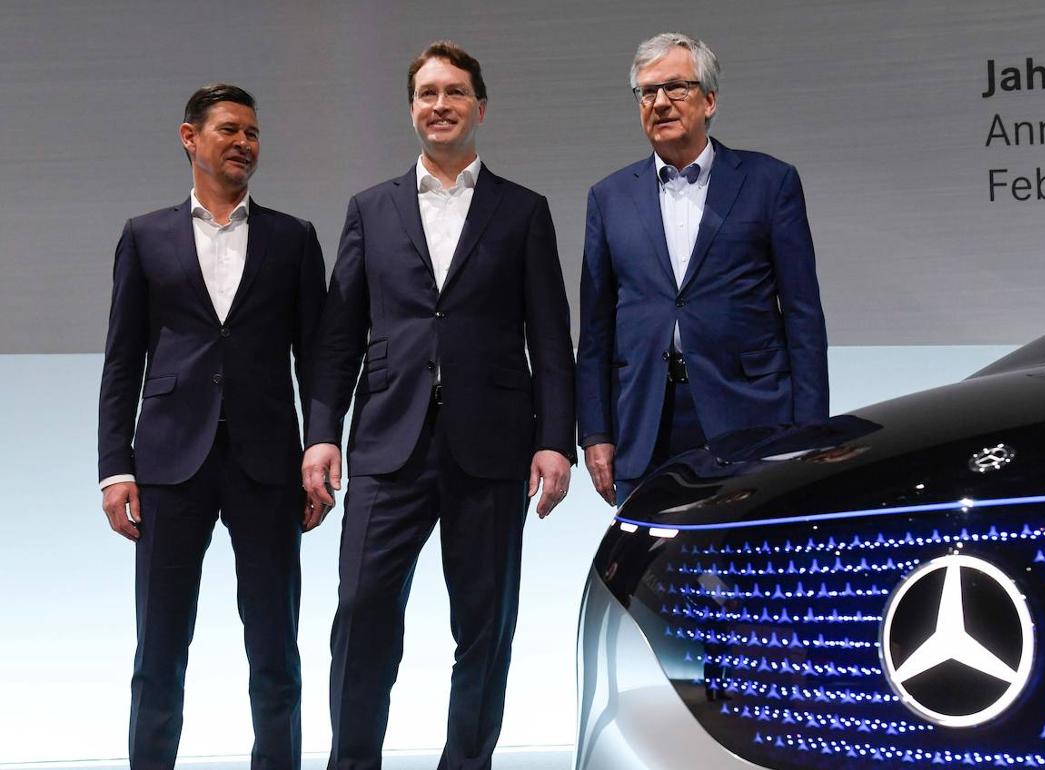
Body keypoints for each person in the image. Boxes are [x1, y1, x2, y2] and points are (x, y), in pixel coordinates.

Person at [301, 41, 576, 769]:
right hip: (387, 442)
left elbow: (551, 338)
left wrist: (556, 439)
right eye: (427, 93)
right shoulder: (370, 209)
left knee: (485, 626)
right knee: (361, 612)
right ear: (412, 108)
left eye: (455, 92)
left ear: (479, 107)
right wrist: (321, 432)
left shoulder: (523, 211)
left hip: (493, 445)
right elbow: (339, 336)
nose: (441, 104)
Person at [97, 83, 326, 769]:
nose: (243, 143)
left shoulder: (293, 238)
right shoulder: (144, 236)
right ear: (189, 137)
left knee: (275, 649)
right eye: (229, 129)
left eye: (252, 132)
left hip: (269, 464)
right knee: (160, 650)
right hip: (169, 464)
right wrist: (115, 467)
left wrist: (319, 451)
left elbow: (316, 361)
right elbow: (122, 360)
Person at [577, 32, 830, 505]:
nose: (660, 102)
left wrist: (812, 432)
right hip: (644, 421)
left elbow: (803, 315)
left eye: (676, 87)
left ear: (709, 100)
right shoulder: (608, 198)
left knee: (750, 550)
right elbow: (595, 331)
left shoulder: (770, 182)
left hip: (751, 418)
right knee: (649, 550)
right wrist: (595, 432)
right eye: (647, 92)